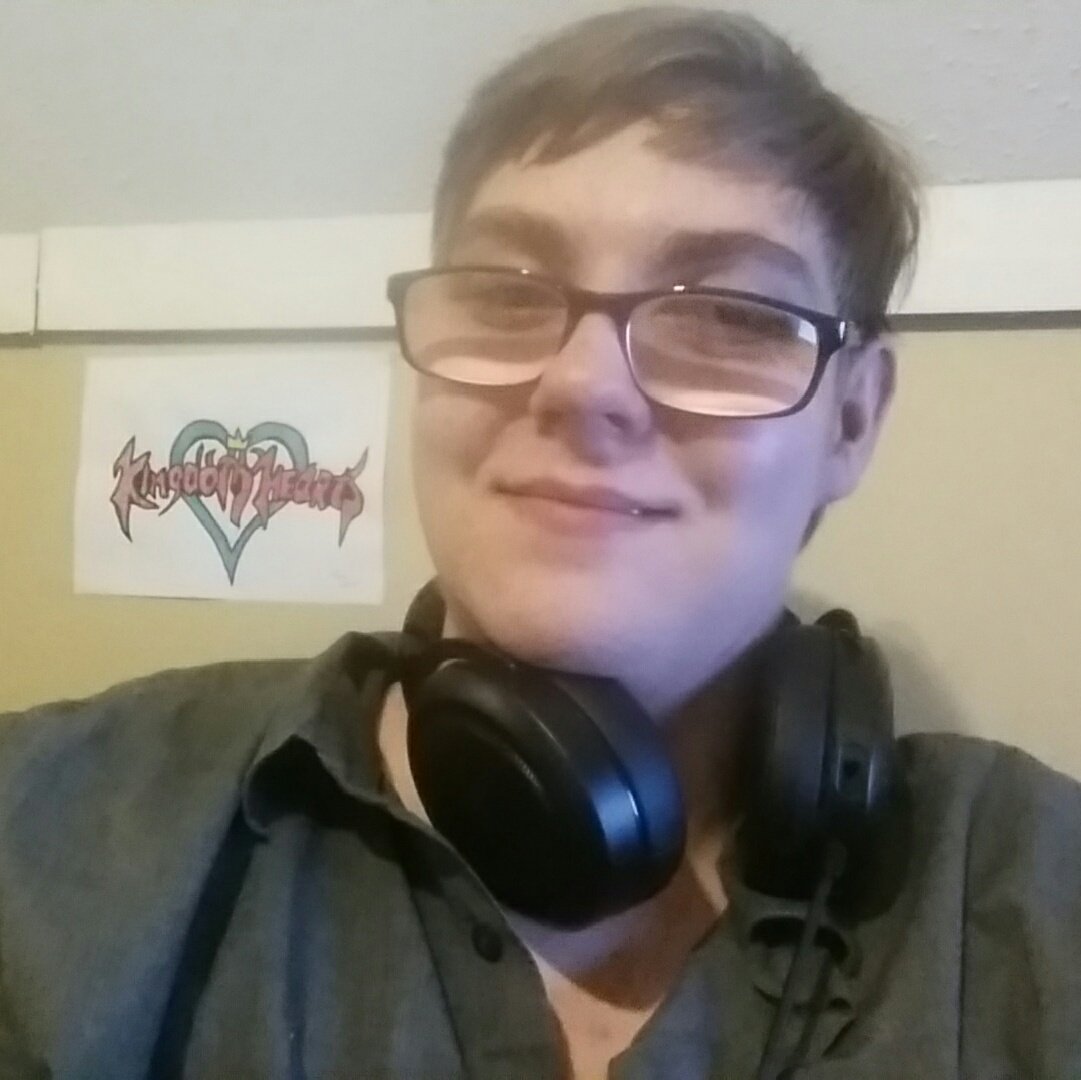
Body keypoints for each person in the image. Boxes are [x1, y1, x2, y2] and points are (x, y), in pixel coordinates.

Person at [2, 6, 1080, 1079]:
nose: (582, 385)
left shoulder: (1035, 900)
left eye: (727, 316)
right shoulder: (40, 829)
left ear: (850, 420)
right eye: (505, 293)